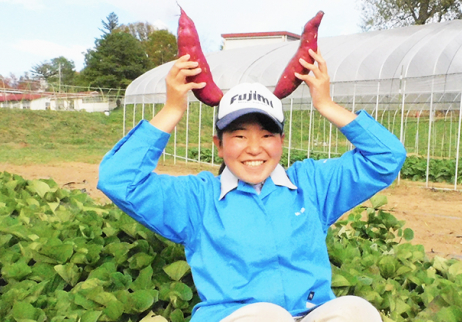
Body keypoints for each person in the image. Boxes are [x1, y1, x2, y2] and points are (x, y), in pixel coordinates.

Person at [98, 49, 406, 322]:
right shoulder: (198, 198)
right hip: (238, 318)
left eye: (267, 135)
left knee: (356, 310)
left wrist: (326, 105)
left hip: (310, 314)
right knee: (267, 315)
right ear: (219, 145)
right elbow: (118, 179)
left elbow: (387, 158)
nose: (254, 148)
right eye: (240, 135)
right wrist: (172, 110)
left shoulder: (311, 185)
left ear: (281, 142)